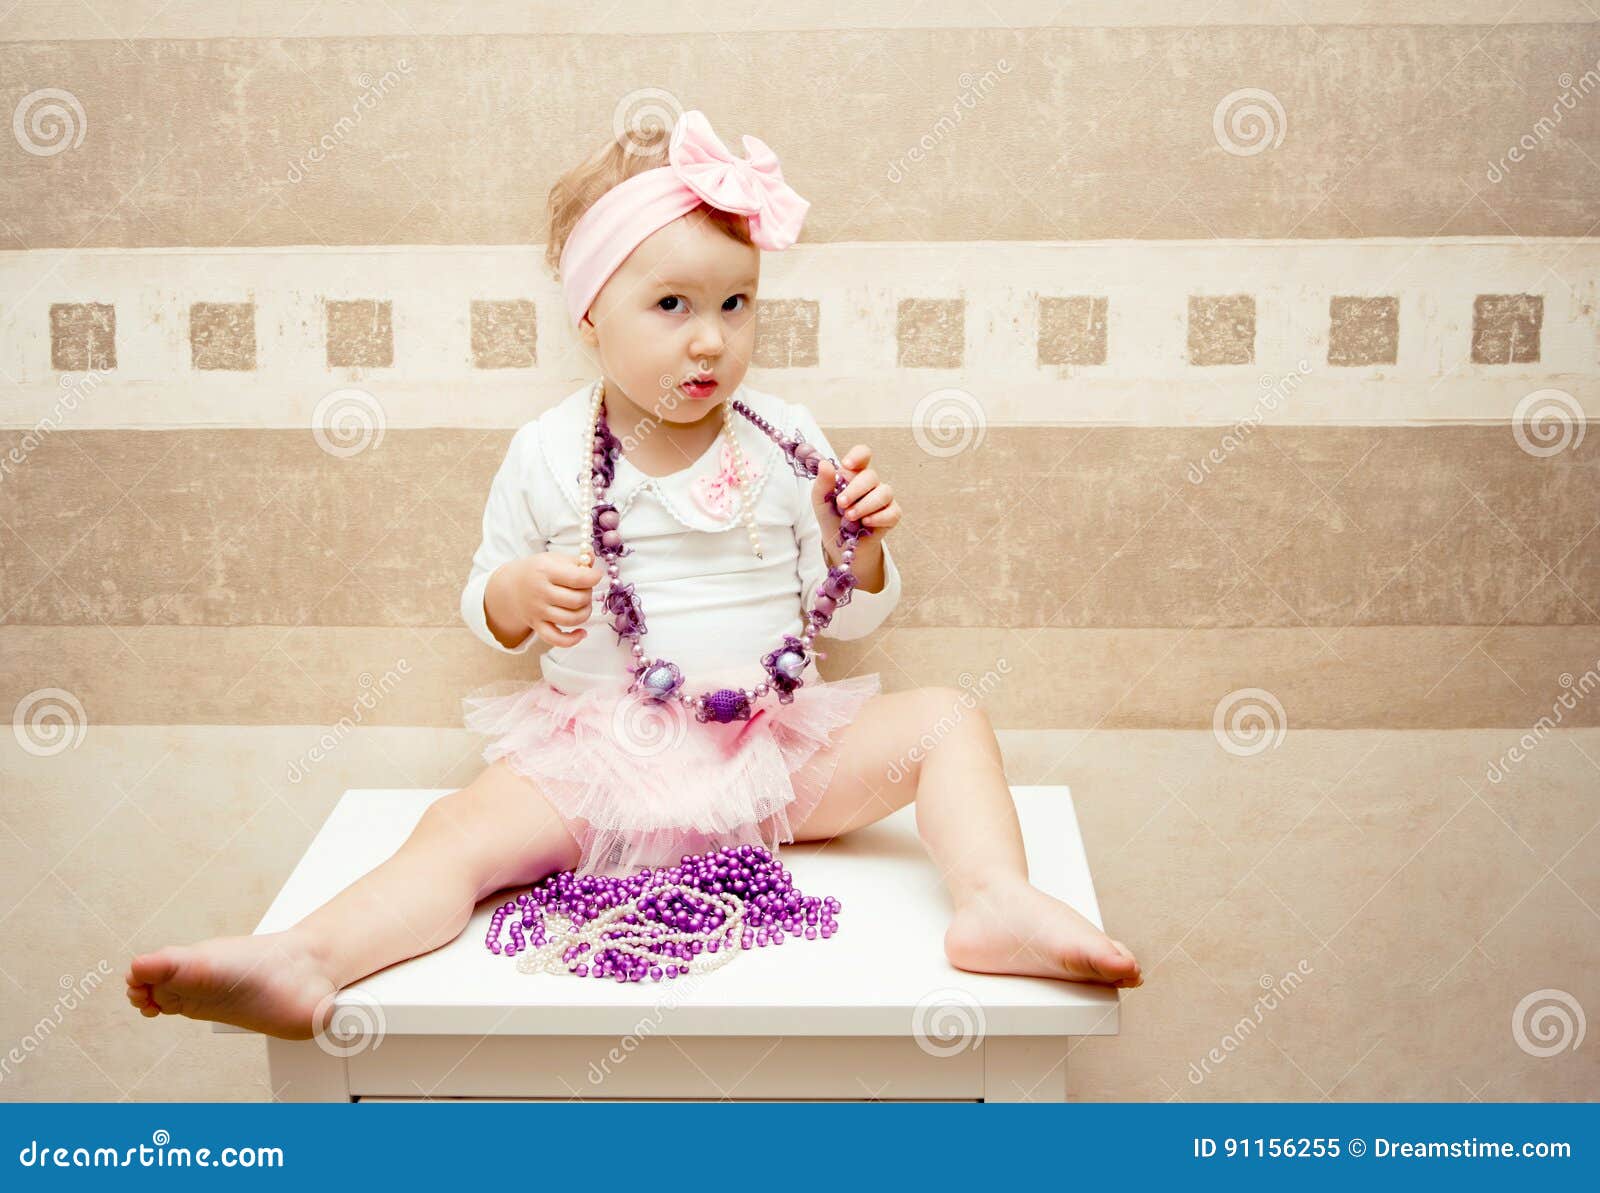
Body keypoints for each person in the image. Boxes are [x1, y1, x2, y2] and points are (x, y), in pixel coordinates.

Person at [125, 108, 1140, 1041]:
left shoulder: (785, 439)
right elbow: (480, 601)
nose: (711, 337)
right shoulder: (547, 449)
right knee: (456, 833)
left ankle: (994, 899)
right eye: (671, 304)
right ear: (589, 319)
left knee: (950, 719)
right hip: (600, 763)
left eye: (737, 303)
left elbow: (861, 613)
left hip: (774, 750)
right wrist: (515, 596)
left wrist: (860, 548)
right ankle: (306, 955)